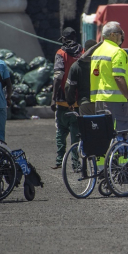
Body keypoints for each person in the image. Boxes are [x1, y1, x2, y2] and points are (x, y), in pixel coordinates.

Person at [91, 22, 128, 138]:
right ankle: (121, 156)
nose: (122, 36)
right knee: (121, 130)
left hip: (99, 100)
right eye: (120, 33)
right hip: (116, 100)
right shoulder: (117, 52)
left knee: (103, 132)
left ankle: (103, 156)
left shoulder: (97, 51)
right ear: (112, 35)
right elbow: (118, 77)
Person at [51, 27, 84, 168]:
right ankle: (76, 164)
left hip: (62, 101)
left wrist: (53, 97)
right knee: (76, 134)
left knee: (61, 132)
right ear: (75, 37)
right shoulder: (83, 52)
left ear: (63, 39)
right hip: (78, 102)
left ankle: (59, 161)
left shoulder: (60, 53)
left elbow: (58, 76)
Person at [65, 39, 98, 116]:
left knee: (87, 126)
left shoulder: (76, 66)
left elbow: (69, 86)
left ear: (84, 50)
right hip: (101, 102)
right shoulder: (102, 63)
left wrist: (71, 102)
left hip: (85, 103)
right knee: (102, 126)